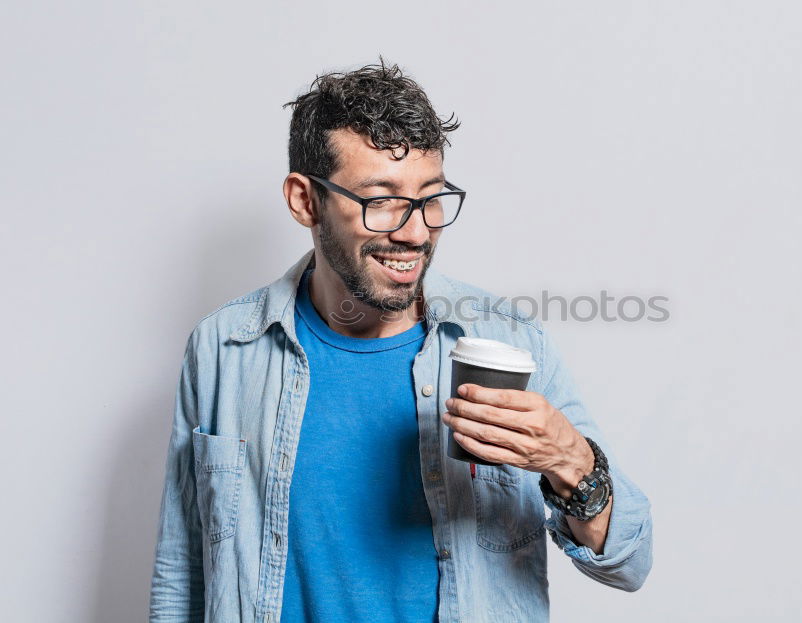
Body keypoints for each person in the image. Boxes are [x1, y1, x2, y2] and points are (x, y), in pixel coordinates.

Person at [148, 58, 653, 623]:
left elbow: (628, 563)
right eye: (381, 199)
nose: (415, 232)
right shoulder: (224, 350)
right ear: (304, 200)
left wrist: (571, 461)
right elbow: (182, 572)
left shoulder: (508, 340)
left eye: (430, 198)